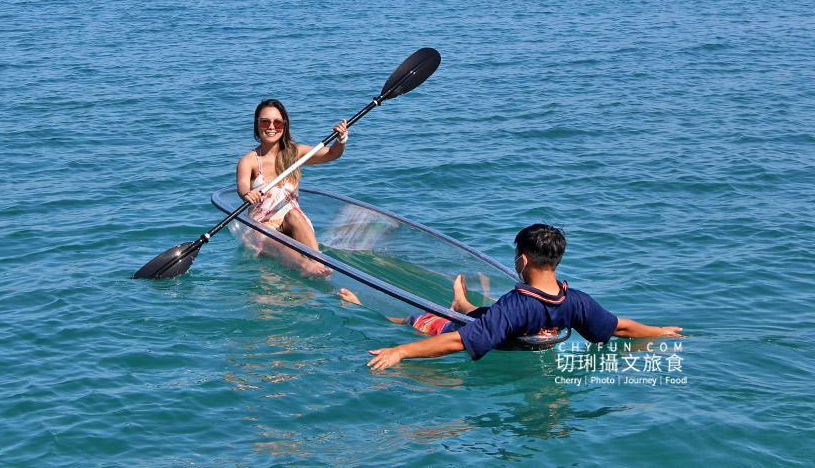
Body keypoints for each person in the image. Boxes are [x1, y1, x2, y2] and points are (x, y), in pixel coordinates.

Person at [360, 223, 683, 370]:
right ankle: (464, 305)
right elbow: (619, 328)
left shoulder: (515, 306)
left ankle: (355, 302)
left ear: (523, 260)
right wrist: (660, 332)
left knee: (414, 318)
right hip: (505, 327)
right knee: (485, 315)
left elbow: (460, 342)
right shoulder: (576, 301)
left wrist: (400, 351)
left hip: (486, 330)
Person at [237, 99, 348, 277]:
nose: (271, 127)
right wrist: (247, 194)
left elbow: (332, 153)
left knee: (294, 214)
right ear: (257, 125)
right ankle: (306, 267)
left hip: (291, 223)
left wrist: (341, 140)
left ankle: (318, 262)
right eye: (265, 122)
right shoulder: (249, 161)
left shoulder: (295, 153)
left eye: (277, 122)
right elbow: (242, 185)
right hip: (261, 229)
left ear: (285, 125)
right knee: (280, 244)